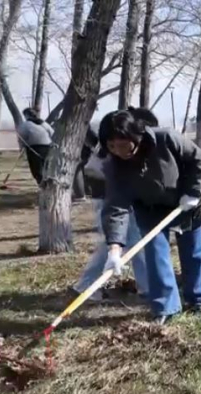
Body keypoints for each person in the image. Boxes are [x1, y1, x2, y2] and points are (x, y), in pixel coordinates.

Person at [100, 109, 201, 325]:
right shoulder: (114, 166)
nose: (118, 151)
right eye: (111, 146)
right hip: (148, 209)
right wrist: (114, 248)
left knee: (192, 251)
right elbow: (116, 206)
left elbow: (196, 158)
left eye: (122, 144)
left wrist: (193, 191)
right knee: (156, 255)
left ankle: (197, 300)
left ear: (135, 136)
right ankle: (165, 307)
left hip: (183, 202)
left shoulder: (165, 138)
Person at [73, 116, 151, 302]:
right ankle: (147, 287)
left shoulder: (114, 145)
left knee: (113, 244)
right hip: (111, 202)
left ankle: (86, 284)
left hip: (117, 200)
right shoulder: (111, 152)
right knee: (133, 242)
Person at [16, 108, 54, 185]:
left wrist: (22, 147)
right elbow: (52, 133)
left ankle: (41, 183)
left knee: (36, 167)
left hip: (34, 147)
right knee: (45, 165)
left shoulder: (26, 124)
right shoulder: (44, 123)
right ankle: (45, 181)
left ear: (26, 115)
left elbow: (21, 136)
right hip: (47, 146)